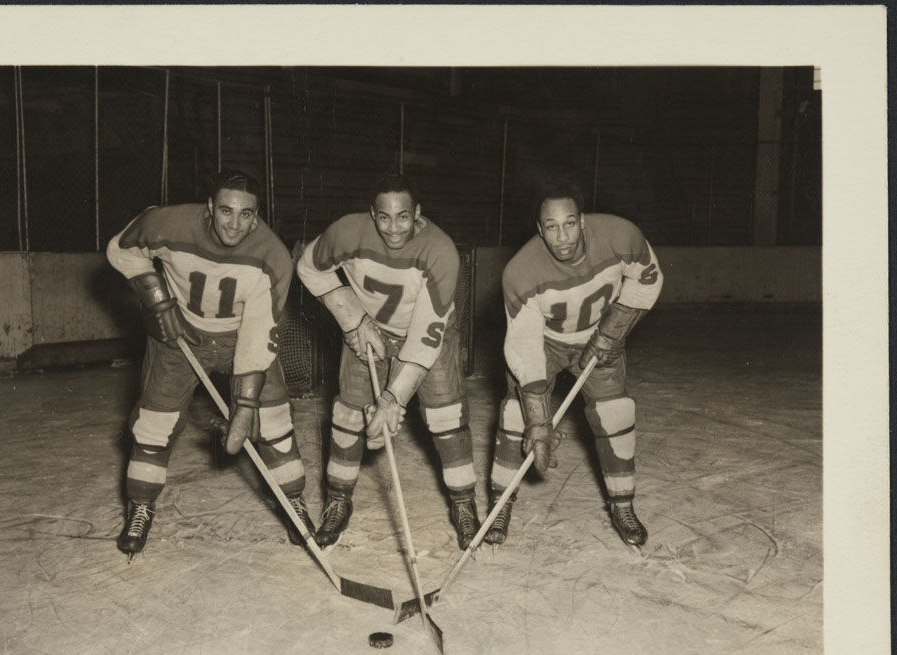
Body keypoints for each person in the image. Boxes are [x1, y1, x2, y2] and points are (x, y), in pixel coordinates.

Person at [106, 169, 314, 558]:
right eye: (226, 211)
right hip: (179, 336)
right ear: (209, 208)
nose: (235, 224)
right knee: (154, 424)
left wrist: (245, 406)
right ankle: (140, 506)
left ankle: (294, 503)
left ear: (258, 214)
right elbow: (121, 249)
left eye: (246, 215)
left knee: (273, 422)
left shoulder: (272, 258)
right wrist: (154, 294)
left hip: (241, 338)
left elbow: (258, 333)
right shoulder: (166, 222)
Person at [296, 173, 480, 549]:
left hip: (430, 336)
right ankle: (338, 502)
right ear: (372, 214)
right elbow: (308, 266)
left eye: (402, 217)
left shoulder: (440, 251)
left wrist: (393, 399)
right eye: (384, 217)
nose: (393, 228)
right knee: (347, 416)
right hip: (369, 332)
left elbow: (428, 332)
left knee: (447, 419)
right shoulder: (347, 234)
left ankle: (464, 505)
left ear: (417, 214)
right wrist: (351, 317)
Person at [490, 176, 663, 547]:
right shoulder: (520, 272)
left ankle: (622, 504)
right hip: (545, 343)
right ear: (540, 229)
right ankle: (500, 503)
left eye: (569, 223)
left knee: (616, 414)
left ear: (582, 219)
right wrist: (539, 422)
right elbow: (523, 346)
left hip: (599, 338)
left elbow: (648, 278)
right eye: (551, 227)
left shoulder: (620, 235)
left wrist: (611, 332)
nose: (562, 236)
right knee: (516, 415)